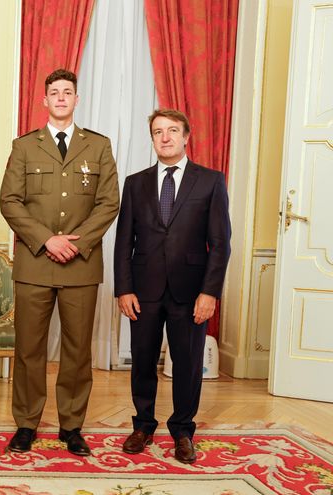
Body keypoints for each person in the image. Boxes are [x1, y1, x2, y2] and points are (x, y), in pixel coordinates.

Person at [0, 68, 119, 456]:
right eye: (55, 92)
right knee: (29, 349)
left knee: (77, 349)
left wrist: (76, 243)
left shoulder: (98, 146)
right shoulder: (25, 147)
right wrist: (46, 239)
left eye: (68, 92)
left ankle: (71, 426)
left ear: (77, 99)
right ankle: (26, 424)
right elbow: (10, 202)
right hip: (35, 263)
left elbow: (108, 203)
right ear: (45, 101)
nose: (62, 98)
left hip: (81, 264)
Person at [114, 109, 231, 464]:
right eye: (157, 132)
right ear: (152, 138)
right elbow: (123, 243)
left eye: (171, 131)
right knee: (143, 362)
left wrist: (209, 293)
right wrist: (124, 288)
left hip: (191, 292)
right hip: (144, 290)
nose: (164, 137)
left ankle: (182, 430)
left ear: (185, 137)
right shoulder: (135, 183)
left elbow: (221, 243)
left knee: (188, 364)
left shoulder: (210, 181)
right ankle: (143, 425)